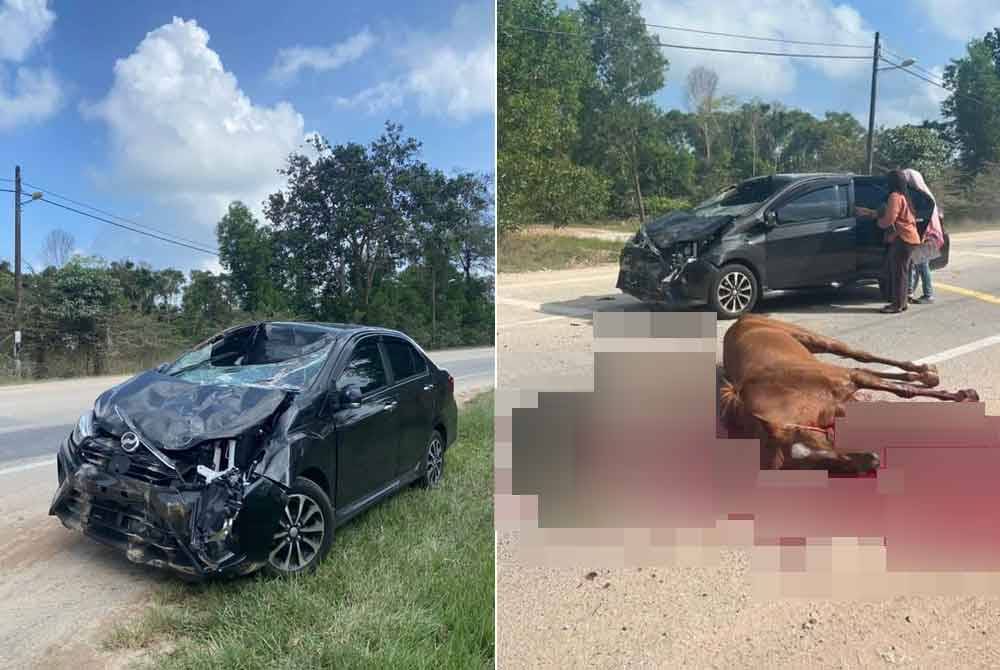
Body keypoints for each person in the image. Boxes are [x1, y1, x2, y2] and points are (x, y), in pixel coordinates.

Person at [855, 170, 921, 314]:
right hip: (909, 238)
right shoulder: (904, 196)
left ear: (891, 182)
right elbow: (889, 214)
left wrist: (879, 223)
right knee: (901, 273)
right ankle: (901, 303)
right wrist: (869, 212)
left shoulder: (894, 196)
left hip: (903, 239)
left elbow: (889, 219)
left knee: (898, 273)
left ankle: (897, 305)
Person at [902, 168, 944, 304]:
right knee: (915, 264)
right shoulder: (925, 195)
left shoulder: (922, 197)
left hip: (927, 235)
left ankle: (928, 294)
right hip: (925, 234)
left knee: (922, 264)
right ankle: (909, 292)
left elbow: (923, 218)